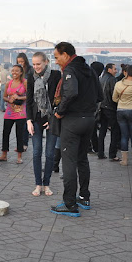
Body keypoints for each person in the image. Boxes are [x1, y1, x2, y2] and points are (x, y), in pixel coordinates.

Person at [50, 42, 102, 217]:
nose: (56, 61)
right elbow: (100, 96)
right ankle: (84, 197)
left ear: (65, 54)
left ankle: (70, 203)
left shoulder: (70, 70)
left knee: (69, 161)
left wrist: (59, 112)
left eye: (57, 57)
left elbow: (71, 93)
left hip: (72, 121)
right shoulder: (90, 70)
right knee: (82, 159)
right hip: (89, 119)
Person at [26, 52, 61, 197]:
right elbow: (28, 100)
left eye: (38, 64)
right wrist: (28, 120)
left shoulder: (55, 75)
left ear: (46, 62)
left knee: (50, 153)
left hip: (51, 119)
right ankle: (37, 184)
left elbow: (59, 98)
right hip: (36, 119)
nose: (36, 67)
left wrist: (53, 118)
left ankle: (47, 184)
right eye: (33, 64)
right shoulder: (31, 77)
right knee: (36, 152)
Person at [0, 64, 27, 164]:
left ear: (21, 72)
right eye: (13, 71)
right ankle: (4, 155)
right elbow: (4, 97)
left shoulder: (25, 82)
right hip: (9, 111)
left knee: (19, 134)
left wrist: (18, 98)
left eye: (17, 71)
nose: (14, 73)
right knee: (5, 132)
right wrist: (9, 99)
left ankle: (19, 156)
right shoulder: (9, 83)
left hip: (21, 112)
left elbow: (29, 96)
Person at [98, 63, 120, 161]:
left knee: (102, 131)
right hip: (110, 108)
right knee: (115, 131)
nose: (116, 71)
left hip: (101, 107)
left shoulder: (101, 78)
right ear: (109, 69)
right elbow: (113, 95)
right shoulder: (112, 79)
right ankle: (112, 154)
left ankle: (100, 153)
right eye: (115, 69)